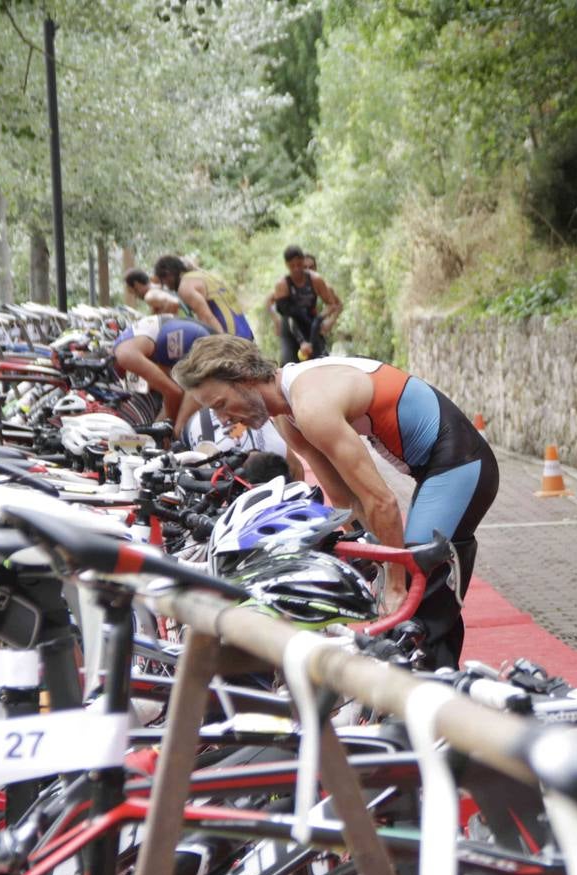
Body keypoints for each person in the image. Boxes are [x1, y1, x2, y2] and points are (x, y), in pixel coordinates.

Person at [172, 335, 499, 668]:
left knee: (417, 590)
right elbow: (345, 499)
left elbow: (381, 501)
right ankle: (430, 683)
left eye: (220, 404)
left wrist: (395, 585)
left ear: (245, 379)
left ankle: (436, 696)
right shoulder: (288, 416)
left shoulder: (310, 403)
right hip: (434, 468)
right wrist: (373, 560)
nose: (224, 420)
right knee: (413, 595)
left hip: (462, 463)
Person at [112, 314, 212, 432]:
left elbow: (174, 393)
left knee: (178, 431)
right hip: (193, 338)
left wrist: (166, 432)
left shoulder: (125, 356)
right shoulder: (129, 343)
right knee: (163, 426)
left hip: (200, 346)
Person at [265, 245, 343, 364]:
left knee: (322, 360)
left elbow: (336, 304)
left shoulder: (319, 282)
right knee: (289, 361)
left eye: (308, 267)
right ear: (287, 266)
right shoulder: (283, 285)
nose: (297, 269)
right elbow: (269, 302)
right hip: (291, 325)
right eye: (293, 266)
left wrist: (329, 322)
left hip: (311, 322)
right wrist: (276, 321)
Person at [153, 255, 254, 340]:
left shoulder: (185, 286)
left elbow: (207, 318)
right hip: (247, 335)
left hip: (231, 340)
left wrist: (224, 348)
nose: (167, 286)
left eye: (164, 281)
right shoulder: (204, 275)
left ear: (168, 274)